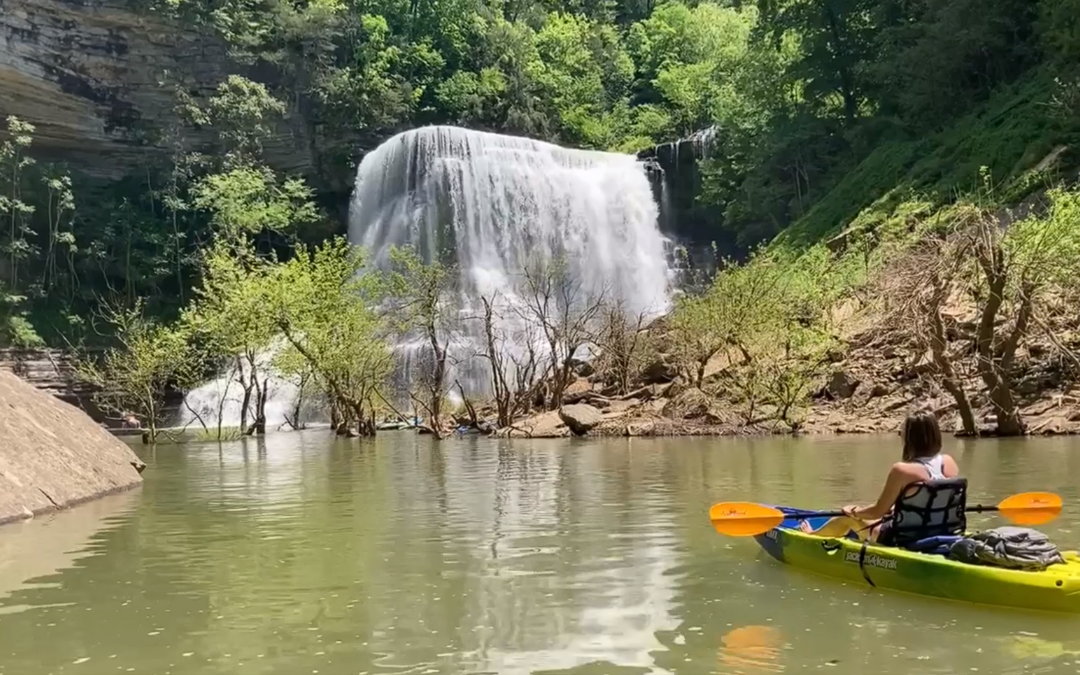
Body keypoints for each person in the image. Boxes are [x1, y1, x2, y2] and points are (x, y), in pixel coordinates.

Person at [799, 411, 961, 543]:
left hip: (902, 536)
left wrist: (854, 511)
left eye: (902, 433)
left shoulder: (902, 470)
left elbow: (877, 512)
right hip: (943, 530)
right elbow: (930, 500)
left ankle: (809, 537)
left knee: (845, 516)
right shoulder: (949, 462)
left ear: (910, 438)